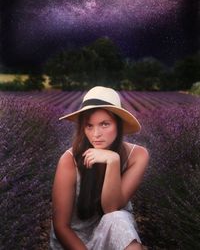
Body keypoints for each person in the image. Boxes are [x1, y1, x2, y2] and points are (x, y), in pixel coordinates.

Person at [49, 86, 149, 250]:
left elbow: (111, 208)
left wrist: (113, 161)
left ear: (119, 124)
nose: (96, 134)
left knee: (118, 218)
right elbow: (61, 227)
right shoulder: (69, 160)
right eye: (89, 126)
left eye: (104, 124)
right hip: (75, 241)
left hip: (114, 237)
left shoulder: (137, 155)